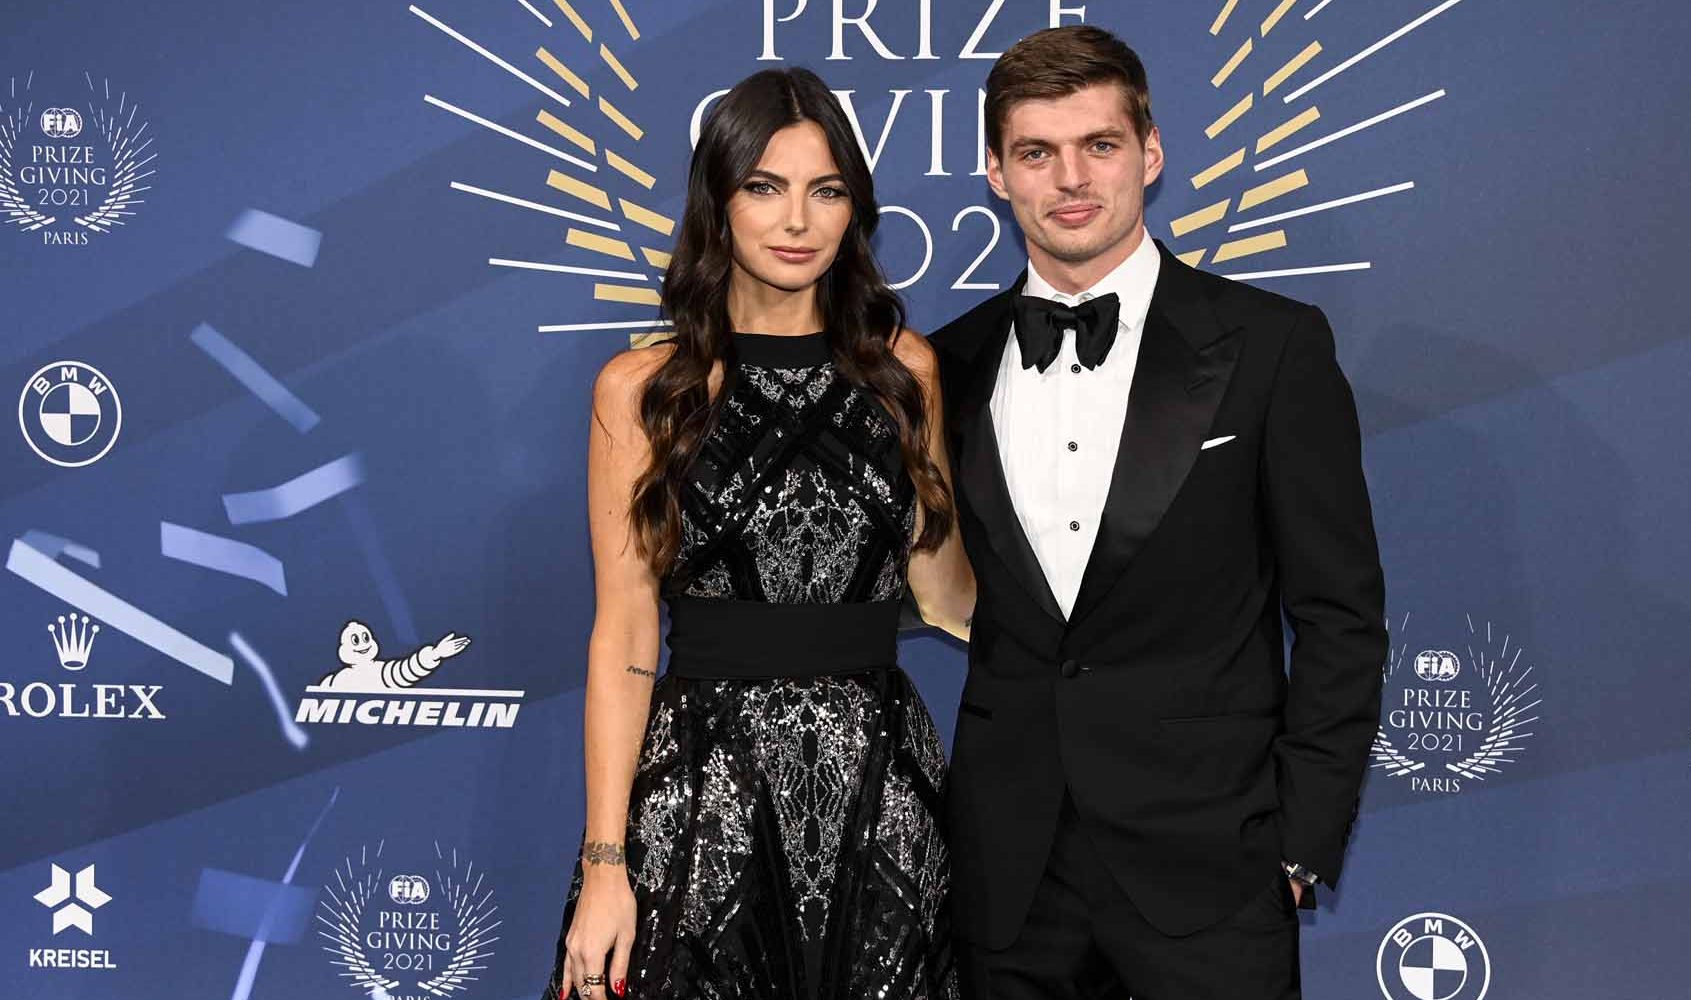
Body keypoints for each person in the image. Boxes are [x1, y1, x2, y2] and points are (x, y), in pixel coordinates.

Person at [931, 26, 1388, 1000]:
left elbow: (1341, 614)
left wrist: (1300, 839)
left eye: (1099, 144)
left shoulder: (1271, 349)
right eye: (1036, 153)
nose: (1070, 179)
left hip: (1213, 869)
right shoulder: (944, 366)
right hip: (1009, 876)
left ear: (1151, 151)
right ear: (994, 173)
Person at [538, 67, 974, 1000]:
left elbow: (943, 593)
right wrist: (607, 865)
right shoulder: (644, 390)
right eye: (764, 188)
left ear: (853, 209)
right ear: (719, 202)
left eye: (826, 192)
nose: (797, 221)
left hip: (881, 798)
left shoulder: (906, 372)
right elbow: (623, 636)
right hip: (706, 796)